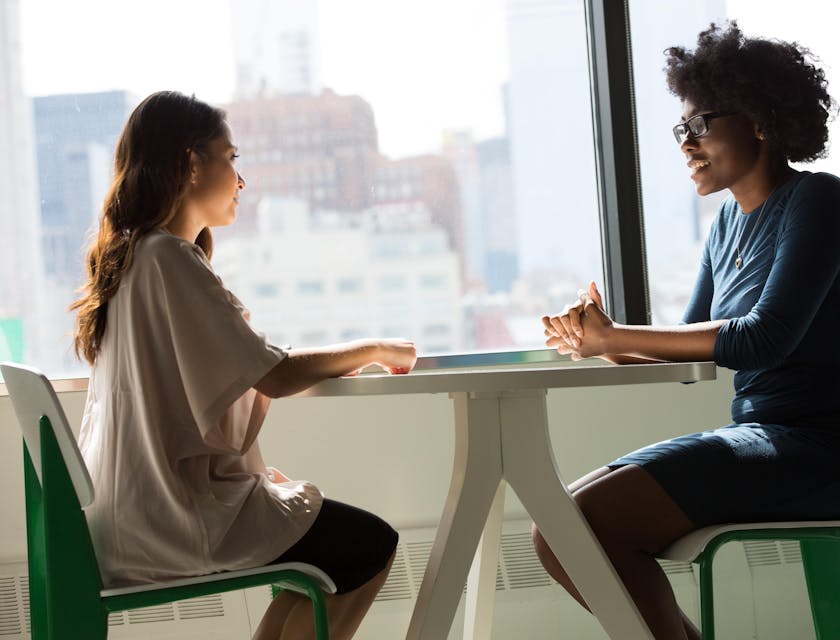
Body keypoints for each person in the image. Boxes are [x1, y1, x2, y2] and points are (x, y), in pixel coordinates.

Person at [71, 90, 417, 640]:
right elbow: (272, 374)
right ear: (190, 162)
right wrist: (372, 348)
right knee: (368, 545)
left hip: (131, 512)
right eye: (231, 159)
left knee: (320, 561)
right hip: (169, 518)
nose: (241, 178)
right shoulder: (167, 258)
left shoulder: (136, 257)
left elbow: (243, 368)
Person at [532, 22, 840, 640]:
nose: (685, 144)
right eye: (682, 129)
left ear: (758, 119)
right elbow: (689, 346)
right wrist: (597, 339)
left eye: (700, 126)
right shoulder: (726, 221)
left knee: (583, 527)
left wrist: (617, 338)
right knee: (558, 529)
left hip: (818, 445)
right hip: (762, 433)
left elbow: (762, 339)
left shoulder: (819, 201)